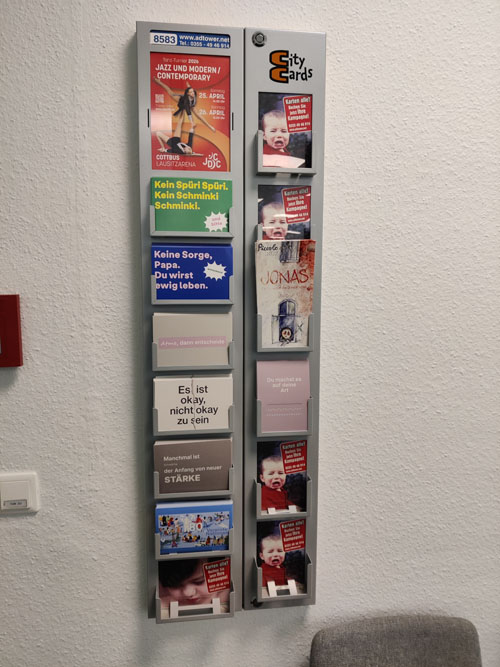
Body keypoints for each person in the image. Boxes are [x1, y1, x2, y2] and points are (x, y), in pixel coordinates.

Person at [153, 78, 215, 154]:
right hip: (182, 101)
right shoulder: (188, 147)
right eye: (191, 92)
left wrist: (164, 149)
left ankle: (210, 126)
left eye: (193, 91)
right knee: (170, 92)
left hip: (173, 141)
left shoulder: (193, 97)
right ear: (188, 94)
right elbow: (188, 112)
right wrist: (192, 123)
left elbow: (173, 150)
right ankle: (159, 82)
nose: (193, 93)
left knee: (196, 115)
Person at [158, 559, 230, 613]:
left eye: (199, 582)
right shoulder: (162, 606)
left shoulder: (228, 597)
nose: (188, 593)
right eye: (175, 585)